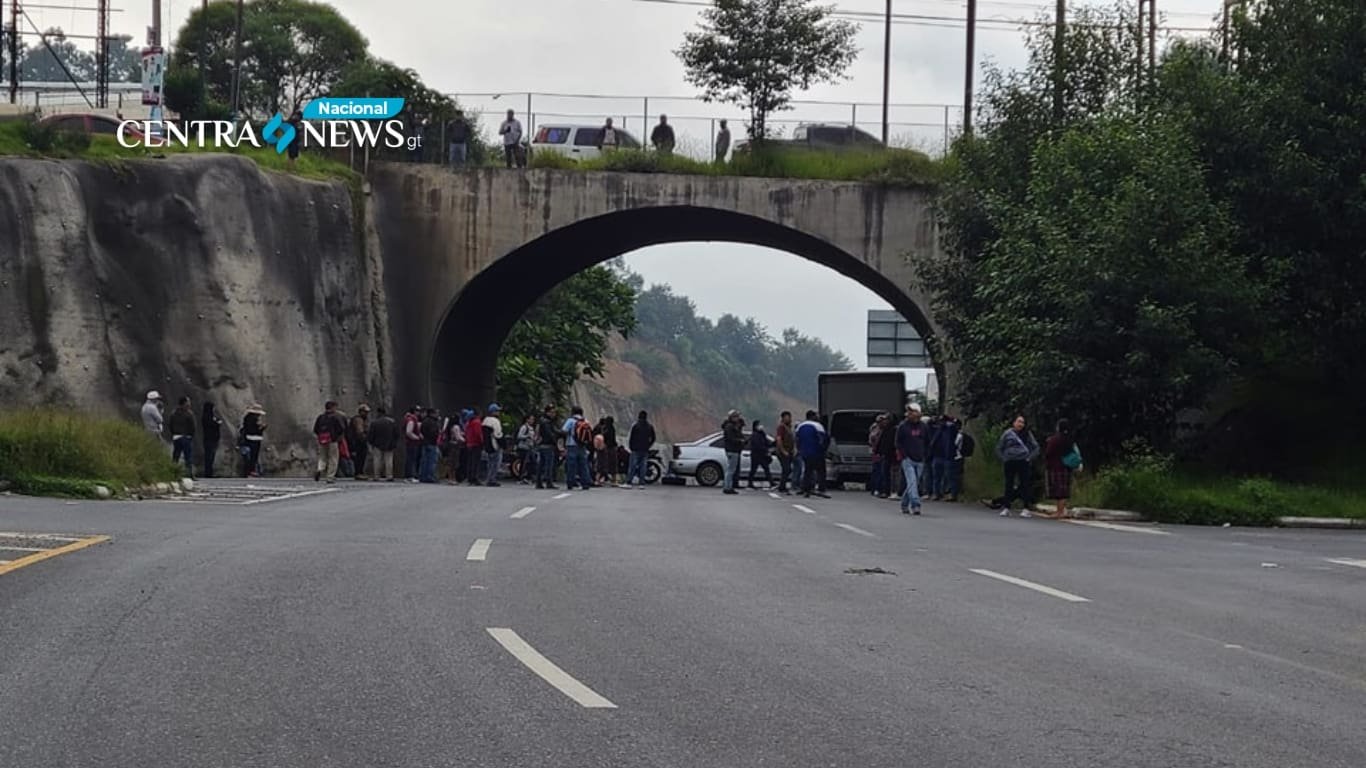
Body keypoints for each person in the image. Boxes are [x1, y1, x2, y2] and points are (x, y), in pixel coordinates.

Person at [988, 415, 1040, 517]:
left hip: (1023, 461)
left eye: (1022, 422)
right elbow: (999, 447)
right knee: (1009, 484)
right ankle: (1006, 507)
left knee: (1025, 484)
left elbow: (1036, 447)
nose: (1021, 424)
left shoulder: (1027, 434)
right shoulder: (1007, 434)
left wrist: (1029, 458)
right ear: (1014, 423)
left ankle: (1026, 508)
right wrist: (1004, 458)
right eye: (1019, 421)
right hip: (1010, 461)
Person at [896, 403, 931, 515]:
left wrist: (925, 455)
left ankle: (904, 504)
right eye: (909, 412)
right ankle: (916, 504)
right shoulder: (903, 426)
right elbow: (898, 442)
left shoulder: (923, 427)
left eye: (913, 411)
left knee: (913, 483)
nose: (910, 414)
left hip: (920, 459)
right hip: (908, 459)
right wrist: (904, 455)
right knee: (912, 481)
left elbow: (927, 442)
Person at [1044, 419, 1080, 519]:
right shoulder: (1070, 439)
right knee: (1064, 490)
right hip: (1066, 467)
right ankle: (1062, 510)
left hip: (1056, 467)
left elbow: (1048, 452)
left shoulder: (1054, 439)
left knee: (1058, 491)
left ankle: (1059, 512)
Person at [795, 411, 829, 498]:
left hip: (804, 453)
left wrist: (799, 450)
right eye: (816, 416)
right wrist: (823, 450)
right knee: (821, 471)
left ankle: (805, 489)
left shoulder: (800, 426)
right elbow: (823, 440)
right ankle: (821, 489)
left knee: (808, 471)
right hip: (816, 452)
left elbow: (797, 440)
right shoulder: (818, 426)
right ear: (812, 416)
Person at [928, 414, 961, 502]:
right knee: (937, 477)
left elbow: (954, 429)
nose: (941, 423)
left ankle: (952, 494)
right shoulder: (938, 430)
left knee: (950, 477)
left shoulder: (951, 430)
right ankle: (936, 493)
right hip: (938, 455)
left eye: (943, 421)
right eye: (940, 421)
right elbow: (930, 431)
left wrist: (950, 423)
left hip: (948, 457)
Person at [312, 401, 346, 484]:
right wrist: (337, 437)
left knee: (322, 457)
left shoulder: (320, 417)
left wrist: (320, 435)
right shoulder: (335, 417)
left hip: (322, 440)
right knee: (333, 458)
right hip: (332, 440)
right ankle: (330, 477)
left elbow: (315, 429)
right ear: (333, 407)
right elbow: (341, 428)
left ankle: (320, 469)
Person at [562, 406, 595, 491]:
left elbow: (564, 430)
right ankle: (585, 483)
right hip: (582, 445)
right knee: (583, 465)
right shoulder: (585, 421)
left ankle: (570, 483)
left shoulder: (570, 420)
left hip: (571, 444)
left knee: (571, 465)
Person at [622, 410, 656, 489]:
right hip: (645, 449)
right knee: (643, 467)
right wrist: (648, 445)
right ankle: (641, 483)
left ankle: (629, 482)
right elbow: (653, 438)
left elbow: (631, 437)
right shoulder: (650, 426)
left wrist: (631, 447)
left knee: (632, 466)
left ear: (639, 416)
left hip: (635, 449)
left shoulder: (636, 426)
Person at [368, 406, 399, 482]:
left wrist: (371, 442)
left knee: (377, 460)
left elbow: (371, 434)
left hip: (377, 444)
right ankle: (389, 476)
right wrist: (394, 442)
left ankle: (376, 476)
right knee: (389, 460)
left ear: (378, 413)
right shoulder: (392, 422)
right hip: (389, 444)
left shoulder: (374, 422)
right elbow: (396, 434)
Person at [168, 396, 196, 477]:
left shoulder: (174, 413)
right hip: (186, 437)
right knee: (188, 456)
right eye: (188, 402)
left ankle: (173, 473)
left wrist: (173, 433)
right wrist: (190, 435)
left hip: (176, 437)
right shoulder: (189, 413)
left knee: (176, 456)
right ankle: (189, 474)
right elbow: (193, 426)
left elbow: (170, 425)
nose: (189, 404)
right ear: (184, 403)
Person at [720, 409, 745, 495]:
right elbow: (731, 438)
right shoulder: (730, 426)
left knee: (730, 469)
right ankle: (727, 487)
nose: (738, 418)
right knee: (731, 470)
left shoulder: (730, 426)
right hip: (732, 449)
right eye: (736, 416)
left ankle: (728, 486)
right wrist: (740, 441)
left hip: (732, 449)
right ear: (732, 417)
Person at [239, 404, 267, 478]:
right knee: (253, 456)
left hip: (250, 439)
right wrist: (261, 428)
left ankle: (251, 471)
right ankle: (251, 471)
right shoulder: (252, 419)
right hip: (253, 439)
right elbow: (252, 430)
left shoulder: (247, 418)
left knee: (251, 457)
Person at [537, 405, 561, 490]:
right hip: (548, 445)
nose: (554, 414)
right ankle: (548, 482)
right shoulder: (547, 422)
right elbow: (550, 434)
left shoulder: (542, 421)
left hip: (542, 445)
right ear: (547, 412)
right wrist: (555, 440)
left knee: (541, 464)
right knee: (548, 465)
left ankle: (539, 482)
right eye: (552, 412)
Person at [875, 412, 898, 500]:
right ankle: (885, 491)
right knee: (885, 473)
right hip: (885, 455)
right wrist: (878, 451)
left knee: (894, 474)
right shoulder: (885, 429)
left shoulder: (895, 429)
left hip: (894, 455)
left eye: (887, 419)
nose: (885, 421)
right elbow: (881, 441)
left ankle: (894, 491)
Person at [774, 411, 797, 494]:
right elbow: (779, 439)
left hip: (789, 451)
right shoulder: (781, 427)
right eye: (787, 417)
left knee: (787, 469)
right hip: (783, 452)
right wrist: (783, 450)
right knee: (786, 469)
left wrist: (793, 449)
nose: (789, 419)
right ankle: (782, 486)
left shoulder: (789, 427)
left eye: (789, 417)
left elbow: (792, 440)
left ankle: (782, 485)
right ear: (783, 418)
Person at [747, 419, 774, 490]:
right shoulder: (755, 435)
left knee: (766, 469)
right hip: (756, 455)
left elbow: (766, 443)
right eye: (759, 425)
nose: (761, 426)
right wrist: (765, 449)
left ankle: (771, 482)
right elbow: (757, 445)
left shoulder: (762, 434)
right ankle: (750, 483)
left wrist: (773, 444)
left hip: (762, 455)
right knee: (754, 469)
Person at [417, 408, 442, 483]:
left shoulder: (424, 421)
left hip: (425, 442)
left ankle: (423, 476)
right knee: (432, 461)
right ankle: (430, 476)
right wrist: (437, 433)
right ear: (432, 413)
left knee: (424, 461)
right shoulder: (433, 422)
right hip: (432, 443)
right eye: (436, 413)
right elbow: (433, 433)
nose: (438, 415)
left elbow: (422, 431)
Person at [483, 404, 505, 487]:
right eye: (497, 411)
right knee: (496, 463)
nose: (499, 412)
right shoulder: (495, 421)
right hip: (495, 445)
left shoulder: (485, 421)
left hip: (487, 446)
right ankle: (492, 479)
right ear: (493, 412)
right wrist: (503, 445)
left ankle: (488, 478)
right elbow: (498, 434)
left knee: (489, 463)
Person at [348, 404, 371, 480]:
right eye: (365, 412)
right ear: (361, 411)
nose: (367, 414)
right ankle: (358, 473)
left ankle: (359, 472)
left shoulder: (363, 419)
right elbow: (359, 431)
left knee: (361, 457)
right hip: (358, 441)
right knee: (359, 457)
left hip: (358, 441)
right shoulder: (358, 419)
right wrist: (365, 437)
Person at [868, 414, 888, 497]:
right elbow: (872, 440)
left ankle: (878, 488)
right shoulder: (875, 429)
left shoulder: (884, 430)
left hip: (879, 452)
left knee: (880, 471)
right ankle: (875, 488)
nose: (884, 423)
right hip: (876, 452)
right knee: (877, 471)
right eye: (882, 421)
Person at [201, 402, 223, 479]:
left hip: (213, 438)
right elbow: (211, 425)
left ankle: (210, 471)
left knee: (211, 456)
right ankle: (208, 472)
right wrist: (217, 423)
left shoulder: (212, 417)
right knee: (209, 456)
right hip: (209, 439)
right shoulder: (206, 417)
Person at [464, 406, 486, 485]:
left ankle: (469, 477)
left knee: (470, 461)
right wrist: (482, 442)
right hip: (476, 444)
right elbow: (478, 433)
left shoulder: (469, 422)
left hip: (469, 443)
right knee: (476, 462)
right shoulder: (477, 422)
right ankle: (474, 478)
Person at [403, 405, 423, 483]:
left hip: (410, 442)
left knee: (410, 459)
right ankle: (409, 476)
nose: (419, 413)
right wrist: (416, 437)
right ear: (414, 412)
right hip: (412, 442)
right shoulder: (411, 420)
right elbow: (408, 432)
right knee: (411, 459)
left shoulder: (410, 419)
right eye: (418, 411)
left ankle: (409, 475)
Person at [515, 415, 537, 484]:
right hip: (524, 447)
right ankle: (521, 478)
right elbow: (519, 436)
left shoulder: (531, 428)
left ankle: (528, 477)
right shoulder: (524, 427)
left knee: (532, 462)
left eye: (533, 419)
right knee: (524, 462)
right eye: (531, 419)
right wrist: (527, 436)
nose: (532, 421)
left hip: (530, 447)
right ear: (527, 420)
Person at [597, 415, 618, 486]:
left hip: (604, 448)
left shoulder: (604, 429)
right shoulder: (612, 428)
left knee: (602, 465)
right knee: (613, 465)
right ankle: (614, 481)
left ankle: (598, 480)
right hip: (611, 448)